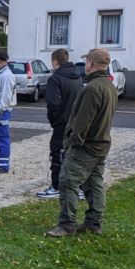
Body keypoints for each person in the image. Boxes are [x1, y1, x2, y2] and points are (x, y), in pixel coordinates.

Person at [45, 48, 119, 238]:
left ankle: (66, 224)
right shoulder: (109, 86)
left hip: (85, 147)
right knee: (94, 183)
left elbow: (82, 123)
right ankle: (94, 222)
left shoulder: (92, 88)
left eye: (87, 61)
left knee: (67, 181)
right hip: (101, 144)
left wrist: (71, 142)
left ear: (91, 64)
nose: (85, 65)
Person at [37, 49, 84, 199]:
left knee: (57, 153)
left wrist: (53, 120)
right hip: (76, 122)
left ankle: (56, 186)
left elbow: (53, 103)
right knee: (75, 154)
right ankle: (80, 187)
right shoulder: (77, 77)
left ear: (55, 61)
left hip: (61, 123)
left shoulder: (55, 79)